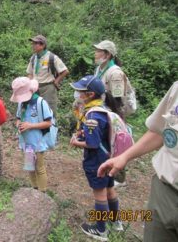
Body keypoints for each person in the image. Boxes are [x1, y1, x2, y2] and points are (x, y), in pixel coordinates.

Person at [98, 81, 178, 242]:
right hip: (165, 187)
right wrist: (125, 156)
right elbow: (161, 131)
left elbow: (117, 98)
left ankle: (104, 226)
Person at [69, 75, 122, 241]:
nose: (77, 94)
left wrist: (76, 143)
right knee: (110, 189)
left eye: (80, 91)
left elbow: (92, 143)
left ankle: (100, 231)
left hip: (97, 161)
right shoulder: (103, 108)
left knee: (100, 194)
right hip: (109, 157)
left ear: (90, 94)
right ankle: (116, 222)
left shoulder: (92, 116)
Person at [93, 40, 134, 185]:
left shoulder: (115, 73)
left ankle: (118, 176)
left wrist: (116, 118)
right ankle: (107, 169)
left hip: (113, 113)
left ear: (107, 54)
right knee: (106, 142)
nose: (95, 53)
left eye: (98, 51)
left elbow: (118, 99)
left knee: (116, 143)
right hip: (104, 111)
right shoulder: (100, 69)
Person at [11, 77, 52, 192]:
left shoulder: (40, 103)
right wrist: (18, 125)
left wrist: (31, 125)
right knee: (30, 167)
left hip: (38, 142)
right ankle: (34, 189)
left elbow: (48, 123)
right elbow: (18, 118)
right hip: (26, 142)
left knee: (39, 167)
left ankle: (42, 191)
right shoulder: (21, 104)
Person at [26, 34, 69, 116]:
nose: (33, 45)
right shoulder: (33, 58)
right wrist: (29, 84)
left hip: (48, 88)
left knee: (49, 111)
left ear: (43, 45)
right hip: (35, 88)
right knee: (35, 111)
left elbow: (65, 71)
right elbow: (30, 73)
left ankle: (52, 128)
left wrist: (56, 81)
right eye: (33, 43)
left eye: (35, 43)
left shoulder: (52, 57)